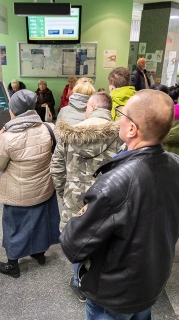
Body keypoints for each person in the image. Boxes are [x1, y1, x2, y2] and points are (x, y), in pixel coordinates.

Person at [60, 90, 179, 320]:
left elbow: (73, 246)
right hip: (152, 278)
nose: (117, 119)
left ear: (132, 129)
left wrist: (81, 214)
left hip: (114, 288)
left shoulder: (114, 184)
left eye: (121, 115)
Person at [50, 92, 121, 302]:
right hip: (109, 200)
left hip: (75, 198)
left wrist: (65, 192)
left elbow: (56, 169)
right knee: (105, 239)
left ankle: (78, 282)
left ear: (91, 106)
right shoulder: (122, 134)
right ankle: (101, 282)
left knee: (79, 239)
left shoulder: (69, 134)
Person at [0, 90, 60, 278]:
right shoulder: (49, 128)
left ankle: (13, 265)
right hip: (43, 187)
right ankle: (39, 254)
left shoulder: (7, 137)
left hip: (17, 193)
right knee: (41, 222)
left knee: (14, 227)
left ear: (14, 111)